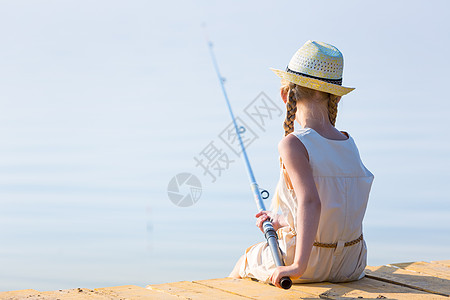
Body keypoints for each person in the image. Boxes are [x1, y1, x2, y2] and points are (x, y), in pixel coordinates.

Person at [229, 40, 374, 288]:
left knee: (245, 261)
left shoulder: (293, 144)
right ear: (335, 99)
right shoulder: (349, 144)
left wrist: (299, 266)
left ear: (286, 95)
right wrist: (281, 221)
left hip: (308, 262)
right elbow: (331, 209)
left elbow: (311, 201)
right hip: (351, 263)